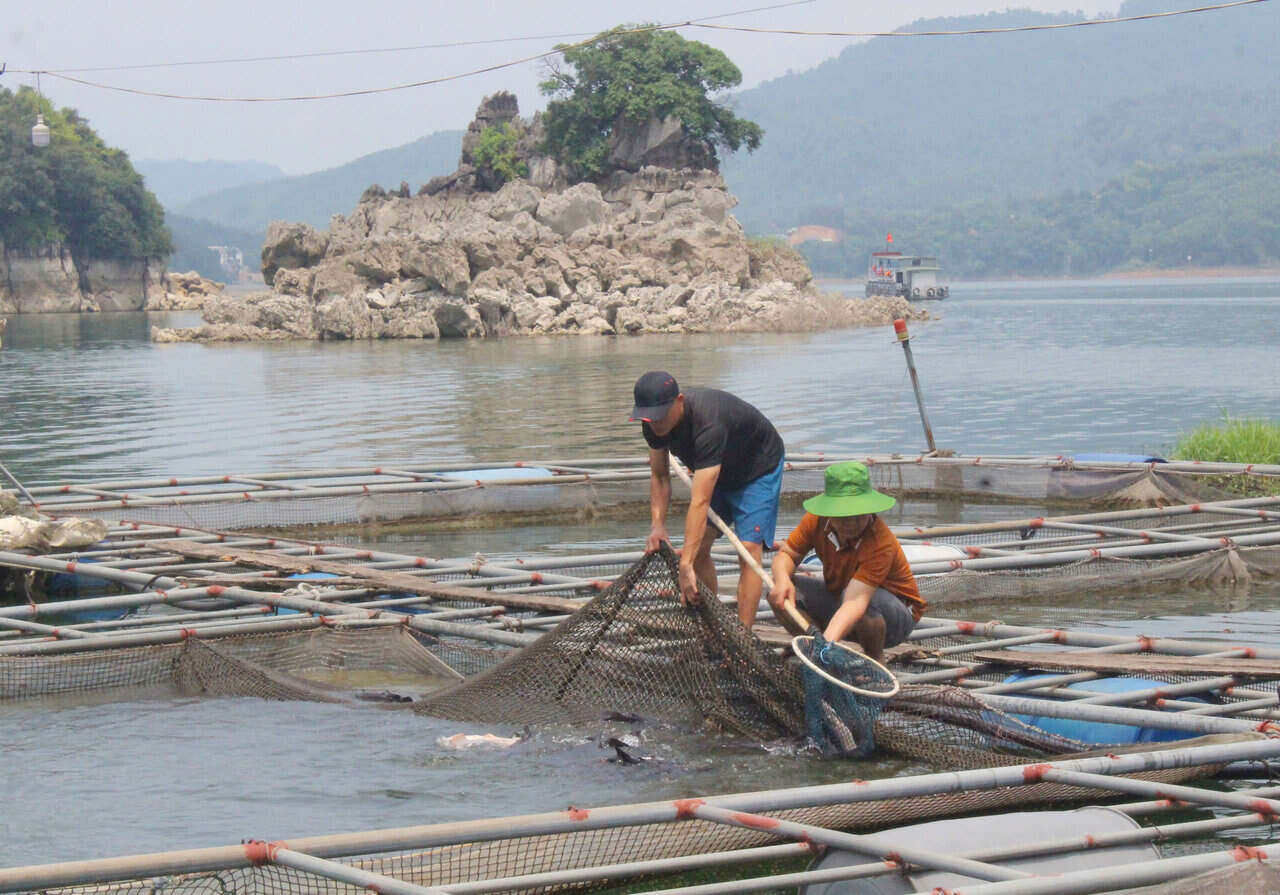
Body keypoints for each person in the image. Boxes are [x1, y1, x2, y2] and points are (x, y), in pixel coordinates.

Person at [629, 371, 785, 628]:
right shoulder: (652, 424)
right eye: (649, 418)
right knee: (698, 549)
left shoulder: (708, 423)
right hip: (715, 471)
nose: (655, 424)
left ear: (679, 401)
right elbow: (659, 476)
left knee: (748, 551)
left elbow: (699, 501)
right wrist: (658, 524)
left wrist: (685, 563)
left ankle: (741, 637)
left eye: (660, 416)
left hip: (757, 469)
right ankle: (713, 625)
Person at [769, 461, 926, 662]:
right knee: (780, 592)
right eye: (843, 516)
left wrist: (829, 641)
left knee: (865, 601)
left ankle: (874, 658)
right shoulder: (816, 521)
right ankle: (812, 647)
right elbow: (787, 555)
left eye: (858, 515)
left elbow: (855, 601)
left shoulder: (880, 542)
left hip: (893, 617)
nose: (851, 523)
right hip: (843, 599)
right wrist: (782, 580)